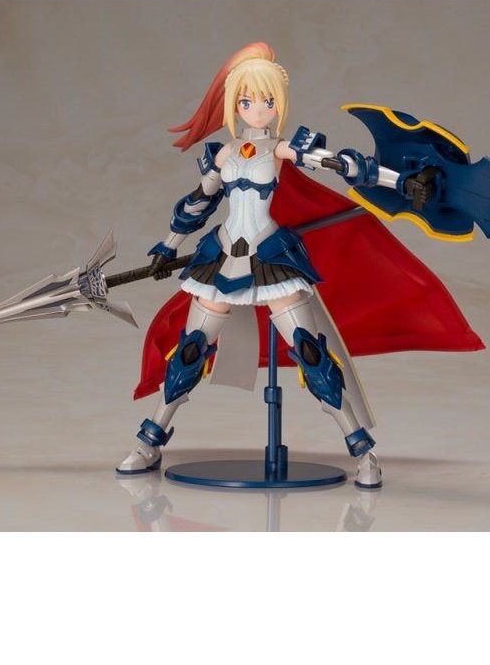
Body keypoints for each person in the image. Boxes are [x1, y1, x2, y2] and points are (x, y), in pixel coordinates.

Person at [113, 42, 416, 488]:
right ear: (234, 104)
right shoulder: (221, 155)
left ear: (279, 104)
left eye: (268, 101)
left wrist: (401, 181)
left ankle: (363, 452)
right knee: (190, 352)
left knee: (313, 355)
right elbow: (197, 204)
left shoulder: (282, 148)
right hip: (221, 256)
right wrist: (168, 246)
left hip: (271, 255)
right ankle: (149, 442)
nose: (258, 109)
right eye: (247, 101)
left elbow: (344, 165)